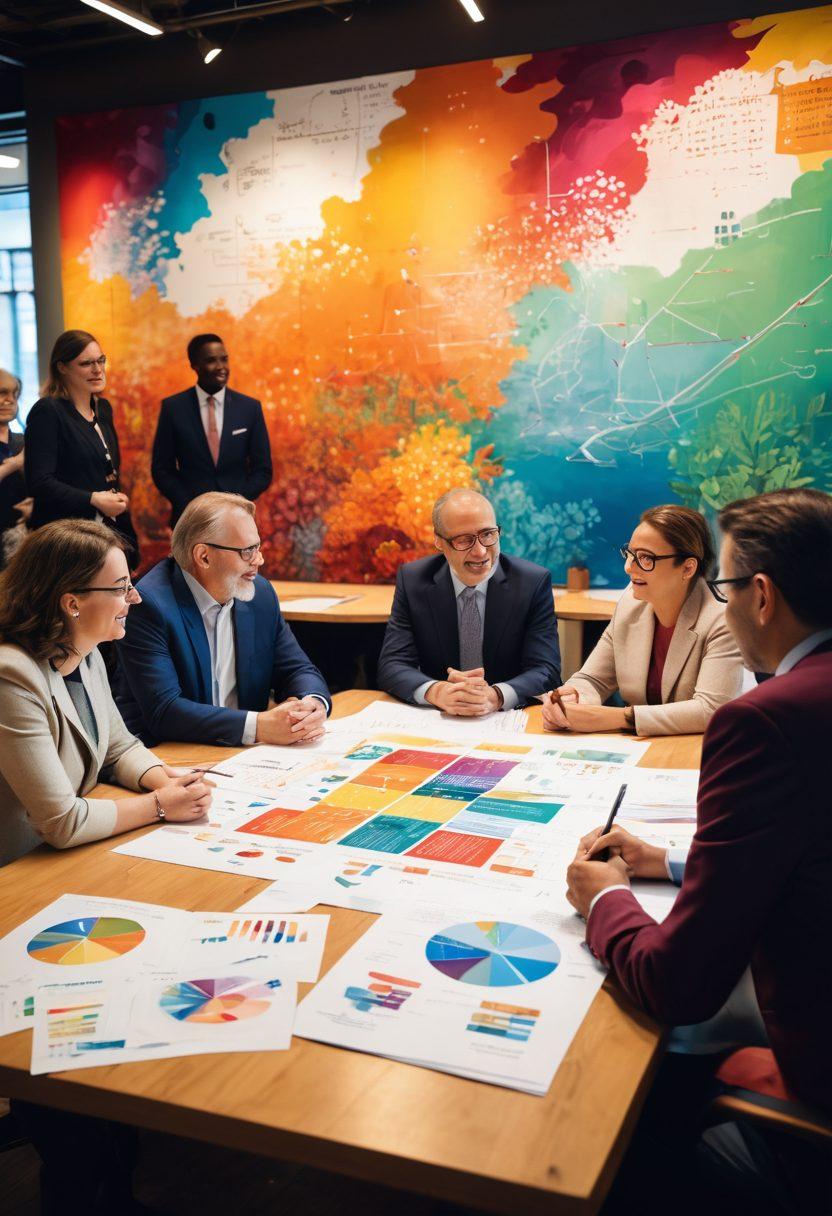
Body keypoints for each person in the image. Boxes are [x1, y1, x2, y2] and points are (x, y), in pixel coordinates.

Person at [565, 487, 832, 1213]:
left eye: (727, 585)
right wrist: (669, 863)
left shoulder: (763, 722)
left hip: (811, 1066)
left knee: (641, 1080)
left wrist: (607, 898)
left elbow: (678, 984)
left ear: (763, 595)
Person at [0, 520, 212, 869]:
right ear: (72, 604)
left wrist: (171, 782)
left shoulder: (86, 651)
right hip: (19, 871)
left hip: (68, 859)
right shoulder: (13, 676)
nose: (136, 597)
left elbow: (118, 747)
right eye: (120, 588)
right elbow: (61, 821)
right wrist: (159, 804)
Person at [115, 491, 330, 747]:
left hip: (245, 756)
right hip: (171, 756)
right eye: (247, 551)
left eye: (258, 547)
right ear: (204, 556)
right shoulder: (149, 605)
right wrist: (259, 726)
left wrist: (312, 703)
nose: (259, 560)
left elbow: (296, 669)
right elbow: (165, 710)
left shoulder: (259, 594)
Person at [543, 504, 742, 735]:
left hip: (694, 753)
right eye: (630, 554)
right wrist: (572, 698)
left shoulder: (721, 622)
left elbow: (710, 710)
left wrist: (618, 717)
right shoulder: (631, 603)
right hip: (638, 752)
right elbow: (593, 679)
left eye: (646, 558)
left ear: (687, 568)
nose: (629, 567)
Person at [377, 488, 560, 713]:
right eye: (464, 540)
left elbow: (546, 670)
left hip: (507, 720)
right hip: (439, 718)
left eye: (488, 534)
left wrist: (495, 696)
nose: (481, 551)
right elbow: (392, 665)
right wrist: (436, 692)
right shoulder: (414, 580)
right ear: (439, 542)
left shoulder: (532, 582)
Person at [24, 330, 139, 565]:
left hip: (106, 533)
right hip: (66, 539)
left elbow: (108, 475)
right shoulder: (48, 411)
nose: (97, 370)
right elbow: (39, 482)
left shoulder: (103, 407)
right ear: (62, 368)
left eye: (101, 360)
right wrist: (93, 499)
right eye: (86, 363)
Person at [151, 333, 272, 525]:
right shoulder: (173, 408)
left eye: (224, 359)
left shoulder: (250, 408)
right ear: (194, 365)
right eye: (211, 361)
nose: (221, 367)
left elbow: (263, 470)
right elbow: (162, 469)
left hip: (238, 518)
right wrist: (189, 503)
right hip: (190, 518)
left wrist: (236, 502)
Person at [0, 368, 29, 563]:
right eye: (2, 393)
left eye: (14, 394)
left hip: (20, 545)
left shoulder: (22, 441)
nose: (9, 400)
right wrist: (16, 463)